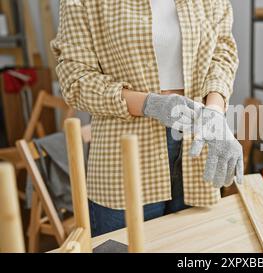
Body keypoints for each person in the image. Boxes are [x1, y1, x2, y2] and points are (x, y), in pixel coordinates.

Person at [52, 0, 242, 237]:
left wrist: (215, 109)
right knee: (123, 245)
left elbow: (222, 54)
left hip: (196, 146)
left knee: (193, 246)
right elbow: (76, 79)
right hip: (124, 152)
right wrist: (151, 104)